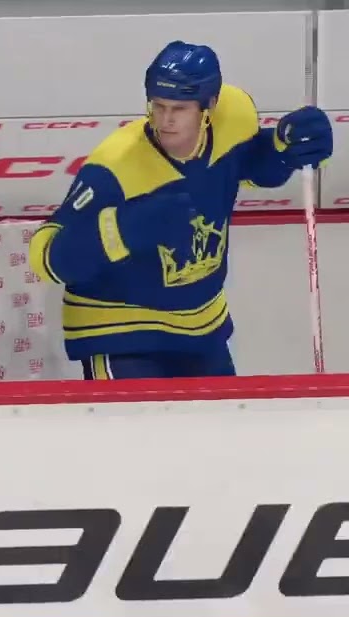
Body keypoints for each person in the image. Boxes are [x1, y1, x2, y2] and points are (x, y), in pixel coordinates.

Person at [28, 41, 333, 380]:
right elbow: (46, 257)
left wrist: (284, 149)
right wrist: (124, 229)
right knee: (138, 418)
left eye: (180, 109)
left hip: (201, 327)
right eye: (158, 106)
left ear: (210, 106)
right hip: (119, 329)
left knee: (230, 415)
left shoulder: (234, 115)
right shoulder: (115, 166)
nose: (166, 120)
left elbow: (249, 164)